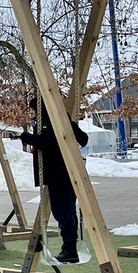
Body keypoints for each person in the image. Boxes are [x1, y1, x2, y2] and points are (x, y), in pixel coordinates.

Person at [20, 105, 89, 264]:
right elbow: (83, 139)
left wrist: (28, 137)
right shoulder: (63, 121)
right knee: (67, 210)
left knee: (63, 211)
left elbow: (49, 142)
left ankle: (70, 248)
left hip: (58, 172)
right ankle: (69, 247)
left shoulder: (50, 123)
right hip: (67, 172)